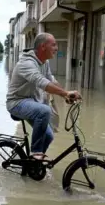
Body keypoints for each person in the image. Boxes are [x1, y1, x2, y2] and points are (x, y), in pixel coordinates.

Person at [6, 32, 81, 161]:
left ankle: (34, 165)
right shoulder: (27, 63)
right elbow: (42, 82)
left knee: (49, 136)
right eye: (54, 45)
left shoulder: (44, 63)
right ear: (42, 47)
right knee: (44, 110)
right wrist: (65, 93)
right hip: (17, 103)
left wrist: (66, 94)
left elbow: (50, 80)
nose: (57, 48)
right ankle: (35, 153)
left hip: (32, 102)